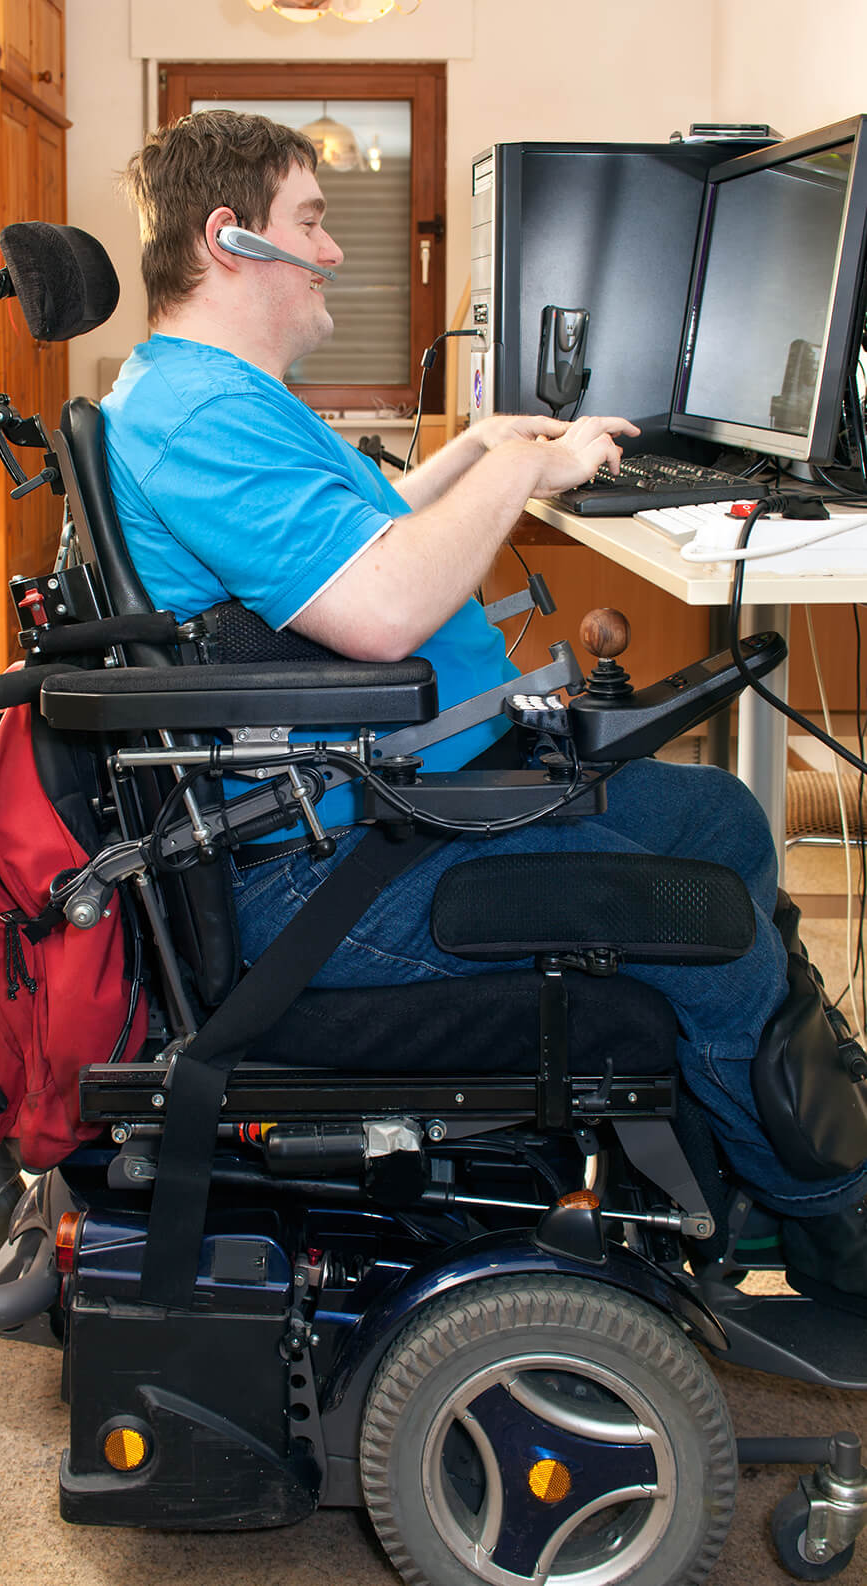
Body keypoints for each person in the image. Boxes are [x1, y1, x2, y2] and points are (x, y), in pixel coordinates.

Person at [101, 109, 867, 1315]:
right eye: (312, 221)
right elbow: (384, 606)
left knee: (719, 817)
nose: (336, 251)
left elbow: (339, 544)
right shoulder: (202, 413)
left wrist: (472, 452)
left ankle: (747, 1175)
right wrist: (525, 471)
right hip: (323, 871)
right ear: (232, 239)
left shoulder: (205, 396)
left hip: (374, 801)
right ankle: (835, 1231)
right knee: (707, 922)